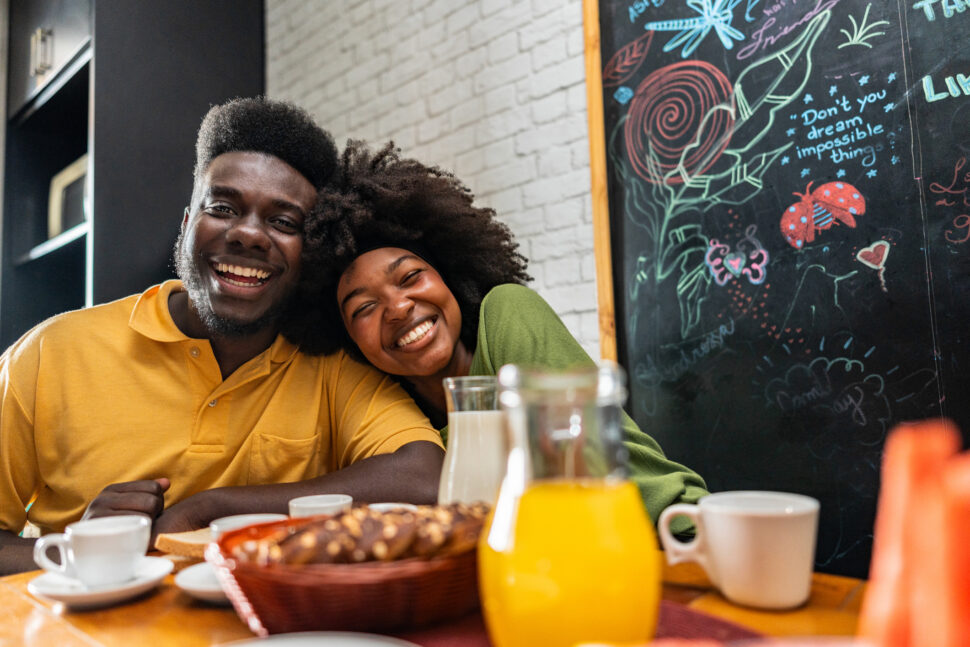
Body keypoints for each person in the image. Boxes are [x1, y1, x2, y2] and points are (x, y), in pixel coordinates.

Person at [0, 99, 445, 575]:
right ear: (188, 221)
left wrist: (212, 507)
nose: (249, 234)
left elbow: (426, 477)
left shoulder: (330, 363)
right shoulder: (53, 352)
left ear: (311, 252)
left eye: (283, 221)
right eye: (222, 207)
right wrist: (78, 552)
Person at [284, 140, 708, 527]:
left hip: (655, 541)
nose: (397, 308)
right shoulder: (385, 412)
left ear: (446, 277)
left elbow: (593, 466)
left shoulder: (507, 313)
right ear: (347, 339)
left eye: (410, 277)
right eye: (364, 308)